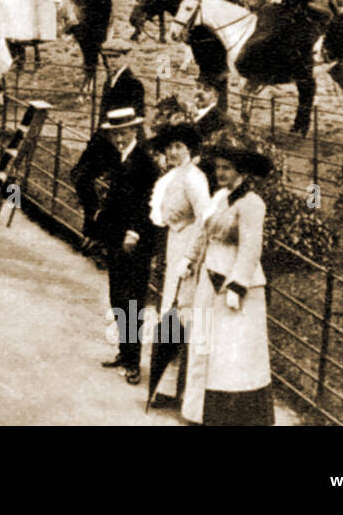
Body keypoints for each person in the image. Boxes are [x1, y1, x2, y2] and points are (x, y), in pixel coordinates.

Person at [180, 141, 275, 425]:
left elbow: (250, 247)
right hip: (210, 279)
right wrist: (189, 258)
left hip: (236, 288)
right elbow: (203, 232)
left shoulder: (252, 203)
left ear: (241, 172)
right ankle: (200, 412)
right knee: (204, 343)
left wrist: (238, 285)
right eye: (218, 167)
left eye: (227, 168)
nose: (220, 172)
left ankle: (236, 416)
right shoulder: (219, 197)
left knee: (233, 352)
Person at [82, 107, 160, 384]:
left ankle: (133, 362)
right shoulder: (121, 158)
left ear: (134, 131)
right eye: (115, 134)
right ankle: (124, 352)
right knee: (118, 298)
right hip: (117, 238)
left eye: (124, 132)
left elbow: (148, 204)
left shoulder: (145, 163)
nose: (119, 138)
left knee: (133, 301)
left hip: (135, 241)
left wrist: (135, 232)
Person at [147, 122, 212, 408]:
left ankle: (178, 390)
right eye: (170, 147)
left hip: (188, 253)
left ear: (190, 150)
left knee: (180, 316)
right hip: (175, 245)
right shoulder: (175, 175)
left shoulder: (194, 179)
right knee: (169, 315)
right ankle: (165, 386)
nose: (173, 152)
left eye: (179, 147)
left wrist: (191, 259)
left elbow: (205, 218)